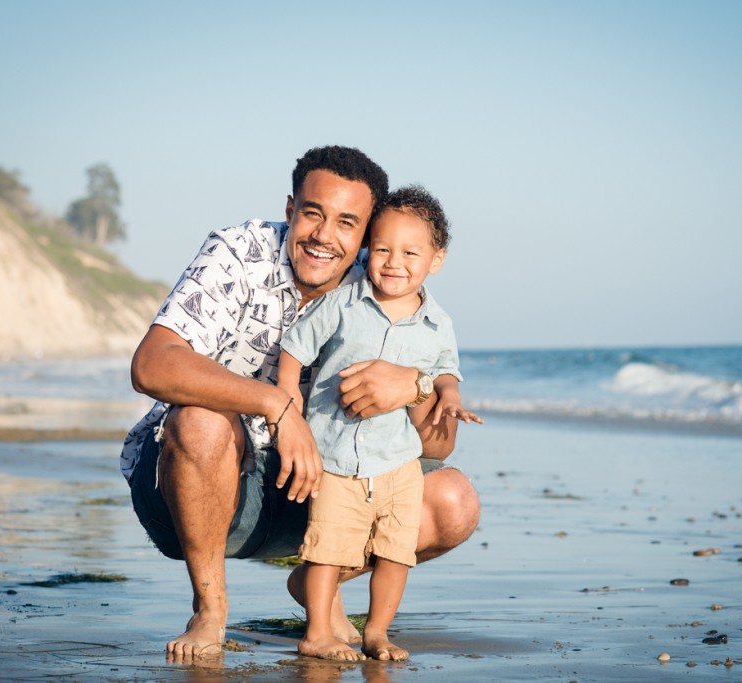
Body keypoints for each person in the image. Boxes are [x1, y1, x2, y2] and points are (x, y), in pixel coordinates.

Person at [121, 145, 481, 660]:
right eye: (313, 214)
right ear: (291, 210)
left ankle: (318, 579)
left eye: (347, 223)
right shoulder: (239, 252)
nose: (324, 236)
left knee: (454, 502)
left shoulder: (384, 278)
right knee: (201, 420)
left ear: (366, 233)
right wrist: (278, 405)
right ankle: (210, 609)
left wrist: (416, 386)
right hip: (195, 492)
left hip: (322, 495)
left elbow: (437, 446)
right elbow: (151, 365)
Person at [278, 186, 483, 662]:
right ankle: (317, 632)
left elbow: (446, 370)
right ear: (369, 249)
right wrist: (291, 417)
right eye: (383, 249)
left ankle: (376, 633)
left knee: (395, 552)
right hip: (335, 456)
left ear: (436, 260)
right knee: (329, 548)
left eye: (411, 252)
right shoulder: (344, 303)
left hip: (399, 461)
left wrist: (449, 396)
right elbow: (294, 351)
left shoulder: (438, 322)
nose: (394, 262)